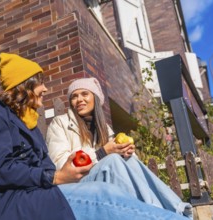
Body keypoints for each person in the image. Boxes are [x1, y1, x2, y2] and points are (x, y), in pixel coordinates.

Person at [0, 52, 190, 220]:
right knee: (102, 191)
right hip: (18, 200)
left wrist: (125, 153)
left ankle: (178, 213)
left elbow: (45, 169)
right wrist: (97, 154)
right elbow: (5, 169)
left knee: (117, 165)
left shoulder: (32, 126)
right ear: (24, 85)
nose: (45, 88)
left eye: (85, 94)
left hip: (43, 190)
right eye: (40, 82)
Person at [46, 77, 193, 219]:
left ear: (95, 98)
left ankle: (177, 210)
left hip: (101, 183)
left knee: (129, 161)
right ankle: (160, 215)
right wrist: (102, 153)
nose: (79, 100)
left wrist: (127, 152)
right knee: (112, 161)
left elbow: (128, 168)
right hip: (75, 186)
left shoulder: (104, 129)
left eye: (85, 94)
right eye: (74, 96)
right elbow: (59, 165)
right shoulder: (60, 123)